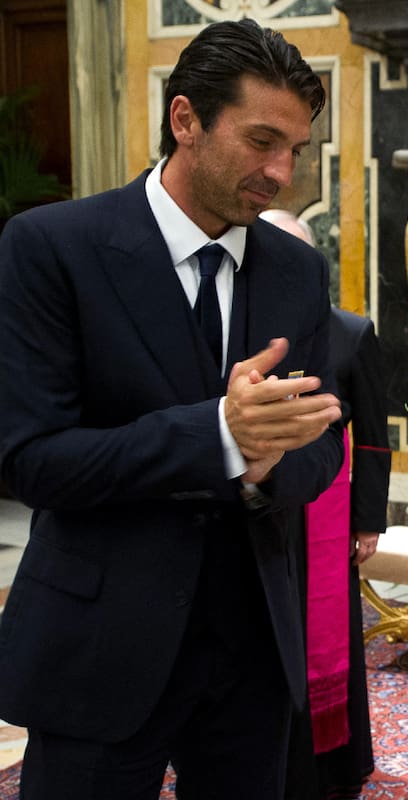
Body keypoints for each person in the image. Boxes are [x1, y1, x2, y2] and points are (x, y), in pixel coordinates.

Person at [0, 19, 344, 799]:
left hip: (253, 654)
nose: (282, 172)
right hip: (100, 649)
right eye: (262, 141)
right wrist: (217, 435)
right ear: (185, 119)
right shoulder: (50, 247)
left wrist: (266, 464)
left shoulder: (296, 269)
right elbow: (33, 461)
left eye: (297, 149)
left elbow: (324, 441)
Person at [260, 209, 393, 799]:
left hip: (325, 521)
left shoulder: (350, 331)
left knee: (324, 637)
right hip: (257, 515)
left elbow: (370, 437)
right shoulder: (234, 330)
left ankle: (333, 763)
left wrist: (367, 523)